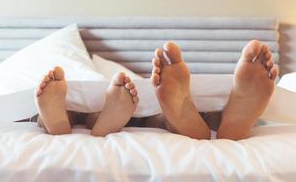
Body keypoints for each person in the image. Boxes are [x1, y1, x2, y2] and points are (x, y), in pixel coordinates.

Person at [35, 40, 278, 140]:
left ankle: (68, 122)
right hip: (129, 104)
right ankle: (230, 119)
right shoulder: (118, 86)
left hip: (119, 105)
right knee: (156, 114)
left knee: (84, 107)